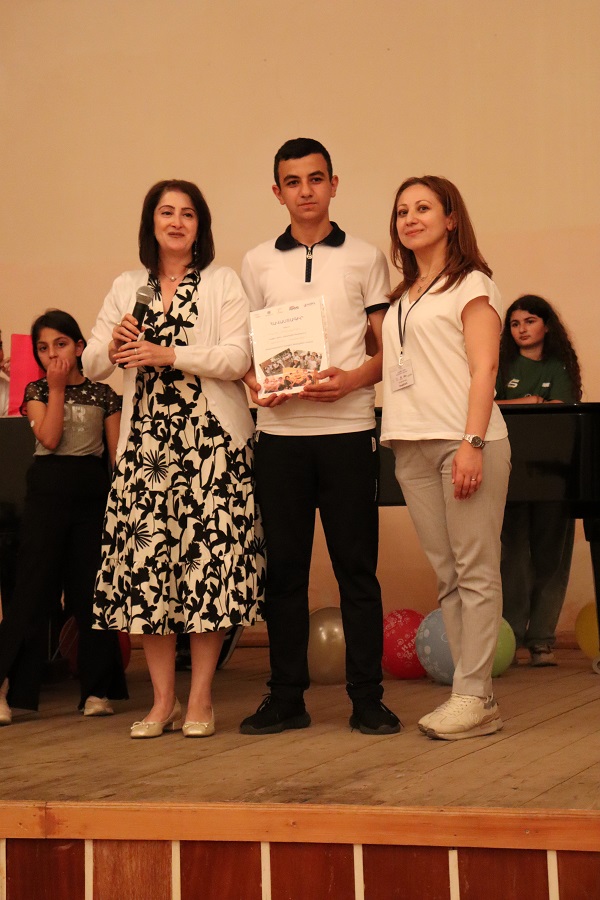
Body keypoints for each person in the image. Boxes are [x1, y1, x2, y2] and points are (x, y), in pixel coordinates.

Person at [83, 179, 265, 739]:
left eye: (188, 214)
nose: (177, 222)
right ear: (152, 223)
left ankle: (201, 697)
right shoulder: (127, 286)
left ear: (200, 226)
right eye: (167, 212)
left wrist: (170, 354)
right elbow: (91, 366)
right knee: (148, 572)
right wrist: (113, 347)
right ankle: (162, 700)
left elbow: (236, 357)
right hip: (145, 448)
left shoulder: (221, 281)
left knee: (208, 569)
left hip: (210, 443)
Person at [239, 138, 400, 736]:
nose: (304, 190)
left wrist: (353, 379)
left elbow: (389, 349)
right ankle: (286, 697)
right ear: (276, 191)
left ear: (334, 184)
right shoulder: (257, 262)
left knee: (356, 570)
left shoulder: (365, 257)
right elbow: (244, 348)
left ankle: (367, 698)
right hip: (279, 436)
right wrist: (258, 385)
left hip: (348, 430)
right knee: (284, 571)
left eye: (315, 178)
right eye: (292, 181)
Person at [380, 175, 511, 741]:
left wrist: (472, 443)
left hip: (464, 441)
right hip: (409, 444)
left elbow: (485, 367)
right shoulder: (402, 296)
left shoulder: (472, 284)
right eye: (402, 211)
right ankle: (471, 693)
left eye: (423, 208)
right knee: (449, 576)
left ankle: (474, 696)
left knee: (475, 572)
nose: (410, 219)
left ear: (451, 218)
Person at [0, 310, 128, 725]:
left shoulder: (105, 394)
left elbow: (115, 457)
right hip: (47, 496)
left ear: (79, 346)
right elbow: (51, 438)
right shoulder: (36, 390)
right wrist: (56, 390)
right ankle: (5, 687)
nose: (52, 354)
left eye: (60, 344)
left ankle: (96, 689)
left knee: (90, 594)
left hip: (91, 497)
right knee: (31, 592)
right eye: (43, 348)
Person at [495, 295, 582, 666]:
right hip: (510, 472)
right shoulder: (501, 365)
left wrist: (527, 404)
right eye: (515, 324)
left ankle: (542, 640)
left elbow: (562, 410)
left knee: (551, 558)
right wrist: (530, 401)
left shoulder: (560, 366)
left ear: (546, 326)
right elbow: (484, 404)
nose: (522, 330)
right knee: (512, 557)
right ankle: (511, 638)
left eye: (529, 321)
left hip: (555, 474)